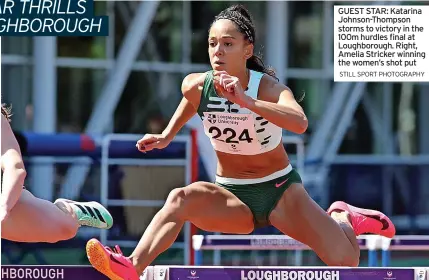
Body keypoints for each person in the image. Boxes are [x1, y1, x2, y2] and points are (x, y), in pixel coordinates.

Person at [86, 5, 395, 279]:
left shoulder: (269, 88)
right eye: (212, 44)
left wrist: (247, 102)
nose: (217, 51)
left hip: (280, 192)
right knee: (180, 199)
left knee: (346, 260)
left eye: (227, 44)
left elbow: (299, 123)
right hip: (232, 194)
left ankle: (341, 216)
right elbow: (191, 101)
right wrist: (167, 135)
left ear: (247, 50)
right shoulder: (197, 84)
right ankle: (131, 266)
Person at [1, 104, 113, 243]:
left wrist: (3, 207)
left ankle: (69, 211)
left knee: (66, 228)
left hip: (7, 199)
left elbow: (16, 168)